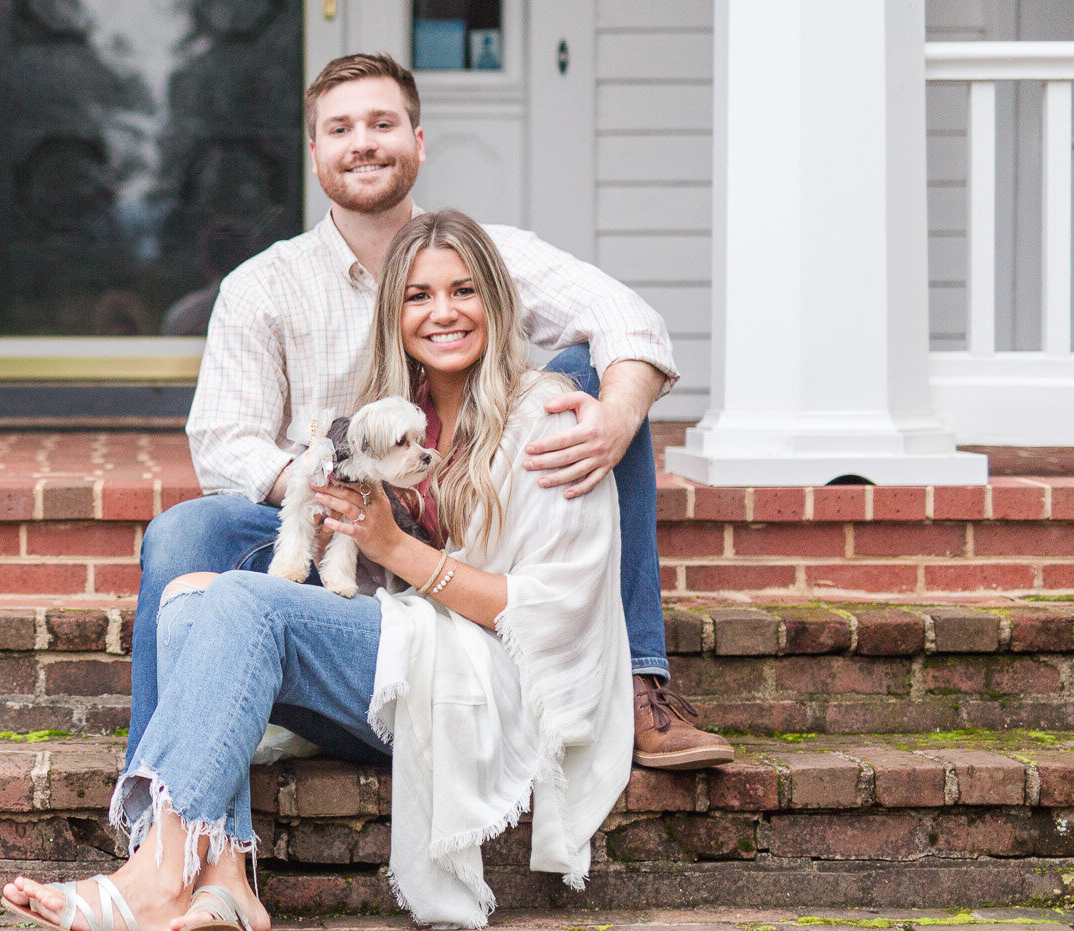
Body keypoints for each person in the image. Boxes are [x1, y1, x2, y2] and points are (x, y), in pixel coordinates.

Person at [4, 209, 634, 931]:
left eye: (463, 290)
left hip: (490, 684)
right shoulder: (401, 421)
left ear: (496, 302)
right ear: (394, 314)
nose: (443, 312)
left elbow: (548, 615)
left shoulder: (552, 420)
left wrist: (394, 548)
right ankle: (226, 881)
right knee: (184, 603)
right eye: (418, 296)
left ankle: (155, 876)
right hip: (412, 657)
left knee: (239, 600)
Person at [135, 52, 730, 771]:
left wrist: (619, 413)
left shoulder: (483, 252)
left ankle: (636, 680)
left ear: (418, 142)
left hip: (472, 528)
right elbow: (224, 443)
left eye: (383, 123)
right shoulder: (265, 285)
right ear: (315, 151)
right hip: (333, 541)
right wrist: (339, 492)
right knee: (184, 532)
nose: (363, 142)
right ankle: (158, 791)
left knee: (597, 378)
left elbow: (626, 316)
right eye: (341, 127)